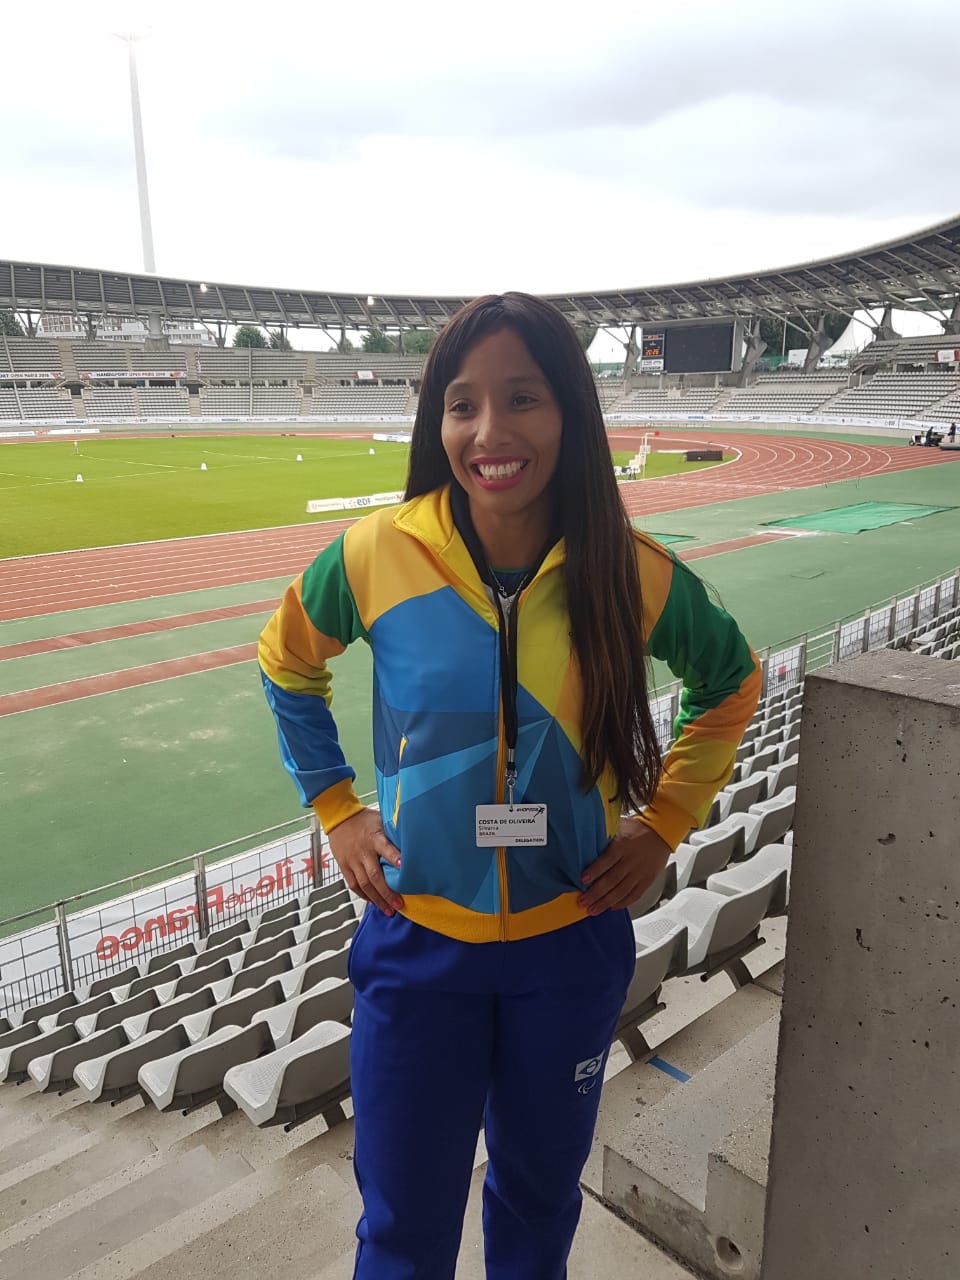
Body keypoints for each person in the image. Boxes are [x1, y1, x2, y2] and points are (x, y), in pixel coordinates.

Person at [259, 292, 761, 1279]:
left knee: (536, 1209)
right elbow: (286, 661)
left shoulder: (630, 568)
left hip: (567, 949)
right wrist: (338, 810)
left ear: (569, 412)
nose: (490, 431)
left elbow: (731, 680)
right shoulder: (373, 553)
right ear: (437, 422)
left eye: (523, 397)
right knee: (402, 1229)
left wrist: (663, 822)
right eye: (463, 404)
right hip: (416, 947)